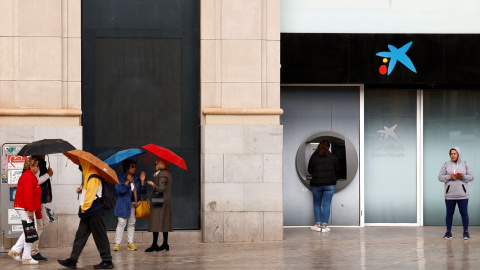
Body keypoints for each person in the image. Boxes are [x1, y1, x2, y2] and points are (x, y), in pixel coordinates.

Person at [58, 160, 114, 269]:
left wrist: (83, 209)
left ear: (87, 165)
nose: (80, 166)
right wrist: (81, 191)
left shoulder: (93, 177)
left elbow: (90, 198)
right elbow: (89, 193)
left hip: (94, 211)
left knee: (100, 236)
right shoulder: (88, 176)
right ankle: (72, 260)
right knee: (80, 236)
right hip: (89, 212)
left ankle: (107, 261)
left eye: (81, 164)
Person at [8, 156, 42, 264]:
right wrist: (30, 210)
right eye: (36, 166)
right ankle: (24, 255)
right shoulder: (28, 176)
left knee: (29, 229)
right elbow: (28, 195)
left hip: (24, 207)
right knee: (30, 230)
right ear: (31, 166)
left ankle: (17, 251)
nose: (38, 168)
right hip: (25, 207)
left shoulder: (30, 176)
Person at [438, 147, 474, 240]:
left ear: (458, 154)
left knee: (464, 214)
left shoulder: (465, 164)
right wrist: (450, 176)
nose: (452, 155)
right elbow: (440, 177)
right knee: (449, 214)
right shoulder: (445, 164)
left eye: (454, 153)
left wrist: (462, 176)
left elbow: (471, 177)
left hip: (463, 195)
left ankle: (466, 232)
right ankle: (448, 232)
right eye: (451, 154)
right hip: (450, 195)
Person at [113, 159, 146, 251]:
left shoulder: (136, 178)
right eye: (132, 166)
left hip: (133, 204)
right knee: (121, 223)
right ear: (127, 167)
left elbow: (141, 191)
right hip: (123, 204)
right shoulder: (120, 177)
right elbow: (119, 191)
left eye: (135, 166)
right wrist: (127, 181)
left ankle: (130, 243)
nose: (134, 168)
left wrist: (142, 181)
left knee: (132, 223)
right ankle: (117, 243)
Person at [307, 140, 341, 232]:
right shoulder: (333, 157)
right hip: (329, 185)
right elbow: (338, 170)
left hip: (317, 184)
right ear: (329, 147)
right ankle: (324, 226)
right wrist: (334, 178)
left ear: (318, 147)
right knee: (326, 205)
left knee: (317, 204)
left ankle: (318, 225)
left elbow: (310, 170)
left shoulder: (314, 158)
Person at [145, 157, 173, 252]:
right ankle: (165, 243)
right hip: (165, 201)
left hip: (159, 201)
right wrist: (157, 176)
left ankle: (154, 244)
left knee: (155, 222)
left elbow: (160, 188)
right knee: (164, 222)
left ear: (160, 164)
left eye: (156, 164)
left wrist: (152, 184)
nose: (155, 165)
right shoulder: (167, 173)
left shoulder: (163, 174)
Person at [30, 155, 54, 261]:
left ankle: (32, 250)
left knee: (43, 223)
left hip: (40, 200)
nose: (45, 155)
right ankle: (33, 251)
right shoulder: (36, 164)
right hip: (36, 201)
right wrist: (48, 175)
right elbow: (36, 182)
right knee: (40, 224)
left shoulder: (41, 163)